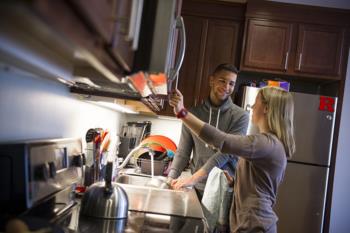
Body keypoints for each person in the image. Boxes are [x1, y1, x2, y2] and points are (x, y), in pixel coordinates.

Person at [169, 86, 296, 233]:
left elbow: (221, 141)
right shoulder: (270, 144)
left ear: (266, 108)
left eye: (256, 102)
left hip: (254, 225)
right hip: (251, 222)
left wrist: (182, 113)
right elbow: (260, 185)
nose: (253, 107)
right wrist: (236, 183)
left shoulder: (265, 143)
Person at [167, 63, 249, 199]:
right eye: (222, 81)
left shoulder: (241, 116)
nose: (226, 87)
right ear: (211, 80)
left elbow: (224, 154)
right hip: (196, 188)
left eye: (231, 84)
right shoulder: (193, 114)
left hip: (223, 190)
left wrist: (192, 179)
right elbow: (183, 151)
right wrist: (170, 178)